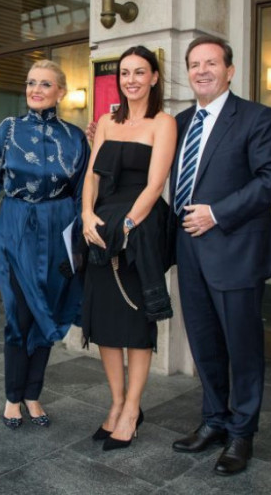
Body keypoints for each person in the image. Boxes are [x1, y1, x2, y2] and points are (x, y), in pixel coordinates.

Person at [169, 36, 271, 476]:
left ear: (230, 70)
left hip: (236, 249)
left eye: (211, 63)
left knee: (243, 348)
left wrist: (217, 213)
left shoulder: (256, 117)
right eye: (194, 64)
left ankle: (242, 433)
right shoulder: (180, 122)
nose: (202, 70)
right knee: (204, 343)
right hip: (189, 249)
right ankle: (215, 421)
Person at [0, 59, 89, 429]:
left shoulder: (75, 137)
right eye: (30, 83)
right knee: (20, 314)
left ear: (61, 92)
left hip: (59, 227)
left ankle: (33, 394)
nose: (35, 90)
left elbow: (82, 193)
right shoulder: (8, 129)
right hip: (16, 226)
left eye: (44, 84)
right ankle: (13, 397)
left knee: (50, 311)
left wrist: (77, 246)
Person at [80, 46, 176, 451]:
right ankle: (117, 402)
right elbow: (92, 176)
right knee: (105, 322)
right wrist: (86, 214)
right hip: (100, 227)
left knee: (136, 324)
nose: (131, 79)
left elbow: (155, 185)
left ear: (154, 77)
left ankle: (133, 409)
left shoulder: (163, 123)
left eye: (139, 72)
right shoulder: (105, 121)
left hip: (140, 227)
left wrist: (129, 225)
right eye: (124, 73)